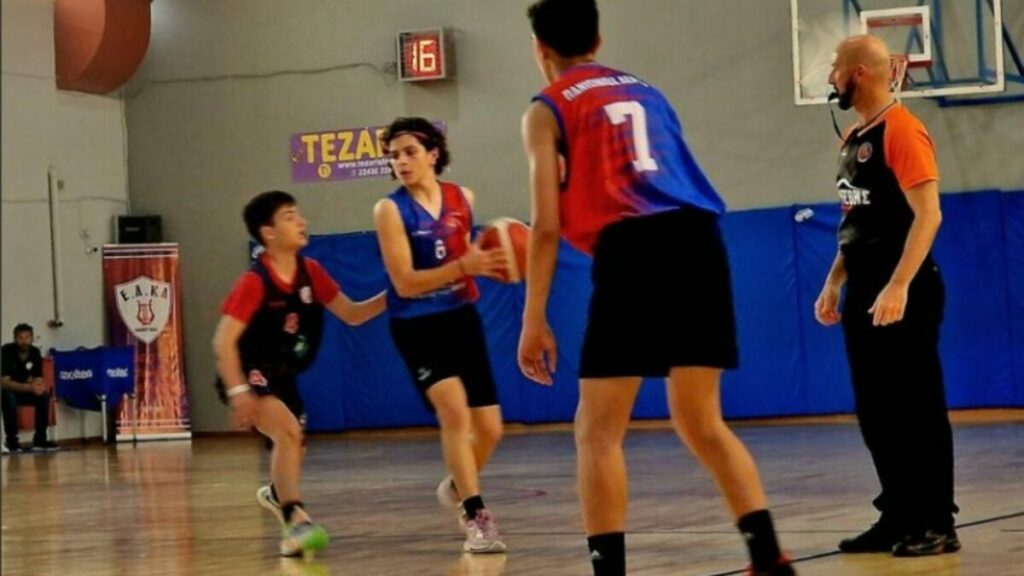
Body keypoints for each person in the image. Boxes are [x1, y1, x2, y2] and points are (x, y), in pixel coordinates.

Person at [517, 2, 796, 575]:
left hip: (632, 249)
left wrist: (533, 317)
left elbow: (544, 225)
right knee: (701, 421)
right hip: (699, 243)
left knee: (597, 431)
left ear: (539, 48)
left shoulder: (547, 108)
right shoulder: (649, 92)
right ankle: (769, 559)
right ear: (598, 39)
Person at [816, 34, 958, 557]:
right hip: (865, 291)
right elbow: (857, 222)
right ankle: (898, 514)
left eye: (836, 66)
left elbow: (929, 215)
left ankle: (936, 522)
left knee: (917, 408)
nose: (830, 76)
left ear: (859, 73)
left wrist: (899, 284)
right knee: (876, 411)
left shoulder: (902, 129)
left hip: (905, 290)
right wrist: (835, 279)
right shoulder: (853, 138)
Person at [212, 190, 386, 558]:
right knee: (288, 433)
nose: (301, 222)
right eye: (290, 216)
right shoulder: (255, 282)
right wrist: (238, 391)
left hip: (283, 374)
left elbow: (352, 314)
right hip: (248, 372)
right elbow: (223, 342)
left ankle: (279, 499)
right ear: (268, 232)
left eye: (299, 214)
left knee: (293, 446)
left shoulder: (311, 272)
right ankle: (296, 519)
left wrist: (395, 295)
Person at [373, 117, 509, 554]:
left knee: (490, 429)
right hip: (416, 325)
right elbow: (405, 282)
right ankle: (475, 514)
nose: (400, 161)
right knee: (454, 413)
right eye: (394, 155)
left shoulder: (462, 198)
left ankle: (456, 486)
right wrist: (462, 267)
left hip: (460, 317)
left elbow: (468, 257)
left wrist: (495, 260)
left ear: (433, 154)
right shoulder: (389, 210)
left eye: (410, 152)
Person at [2, 323, 58, 452]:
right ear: (15, 338)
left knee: (43, 396)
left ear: (32, 338)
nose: (24, 341)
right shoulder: (6, 351)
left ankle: (40, 440)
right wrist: (28, 386)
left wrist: (36, 387)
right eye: (20, 338)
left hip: (24, 390)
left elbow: (37, 378)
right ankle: (12, 441)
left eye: (27, 337)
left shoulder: (35, 352)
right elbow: (4, 382)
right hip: (7, 392)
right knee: (9, 398)